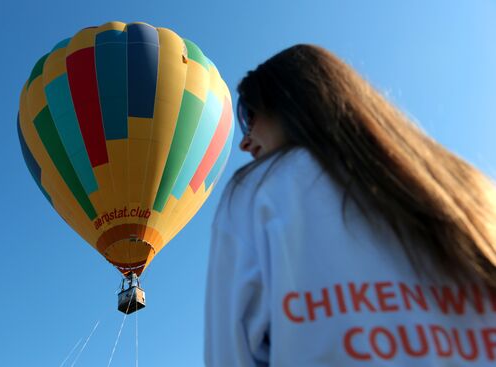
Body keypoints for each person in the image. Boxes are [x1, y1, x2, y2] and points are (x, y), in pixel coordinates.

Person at [204, 44, 496, 366]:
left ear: (291, 98)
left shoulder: (259, 192)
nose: (244, 142)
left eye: (248, 115)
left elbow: (230, 356)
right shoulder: (470, 188)